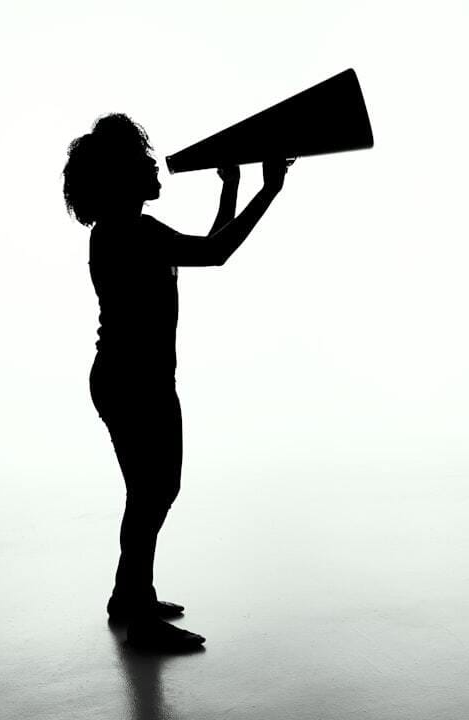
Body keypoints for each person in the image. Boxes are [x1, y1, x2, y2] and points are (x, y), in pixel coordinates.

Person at [62, 113, 289, 652]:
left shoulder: (123, 232)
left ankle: (128, 596)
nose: (155, 167)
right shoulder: (132, 233)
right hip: (135, 383)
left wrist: (232, 188)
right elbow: (216, 253)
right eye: (144, 163)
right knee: (153, 493)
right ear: (122, 181)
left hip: (126, 380)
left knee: (148, 494)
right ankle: (139, 617)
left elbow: (207, 245)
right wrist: (269, 190)